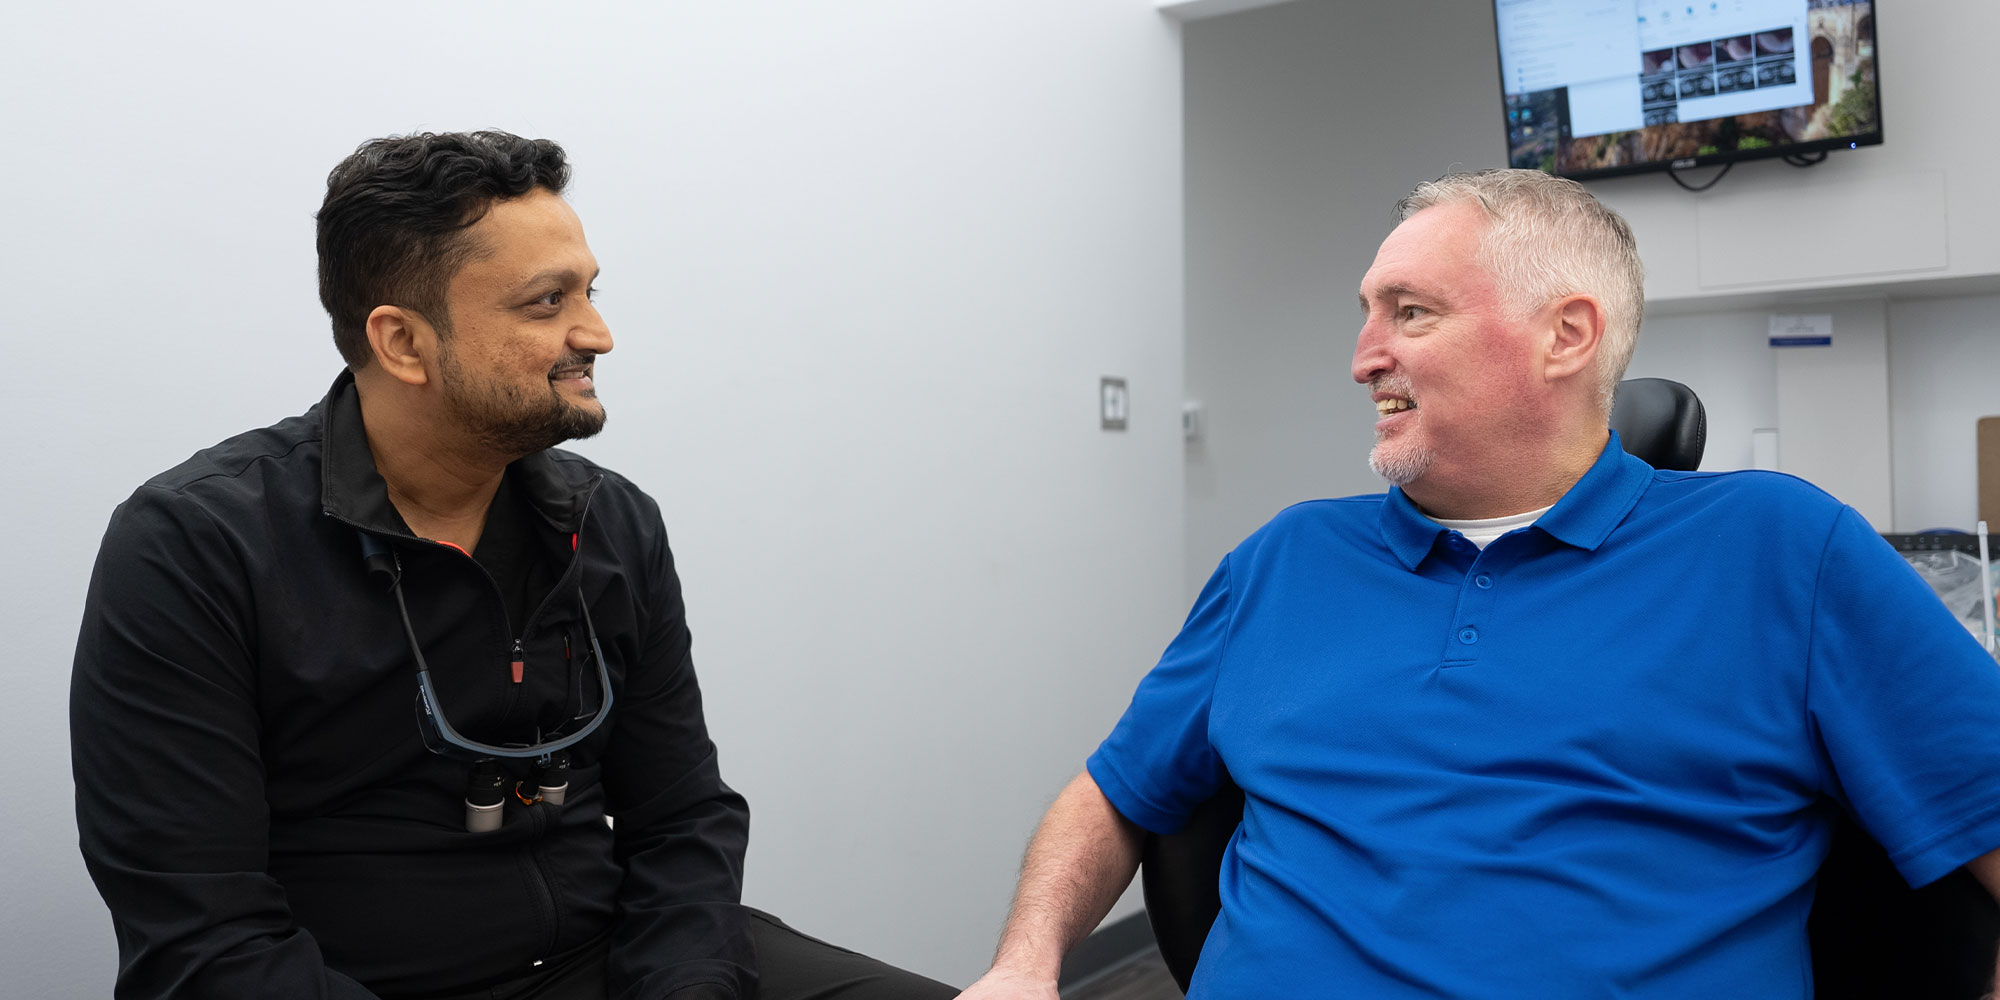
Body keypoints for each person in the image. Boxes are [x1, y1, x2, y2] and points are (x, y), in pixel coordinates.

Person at [957, 168, 2000, 998]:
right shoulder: (1283, 559)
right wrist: (1023, 963)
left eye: (1408, 312)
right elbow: (1111, 791)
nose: (1362, 357)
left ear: (1565, 334)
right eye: (1365, 313)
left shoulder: (1779, 546)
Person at [71, 131, 955, 1000]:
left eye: (591, 292)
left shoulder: (611, 522)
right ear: (403, 343)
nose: (598, 334)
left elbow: (682, 820)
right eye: (546, 303)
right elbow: (204, 942)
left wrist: (687, 986)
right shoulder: (196, 547)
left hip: (612, 963)